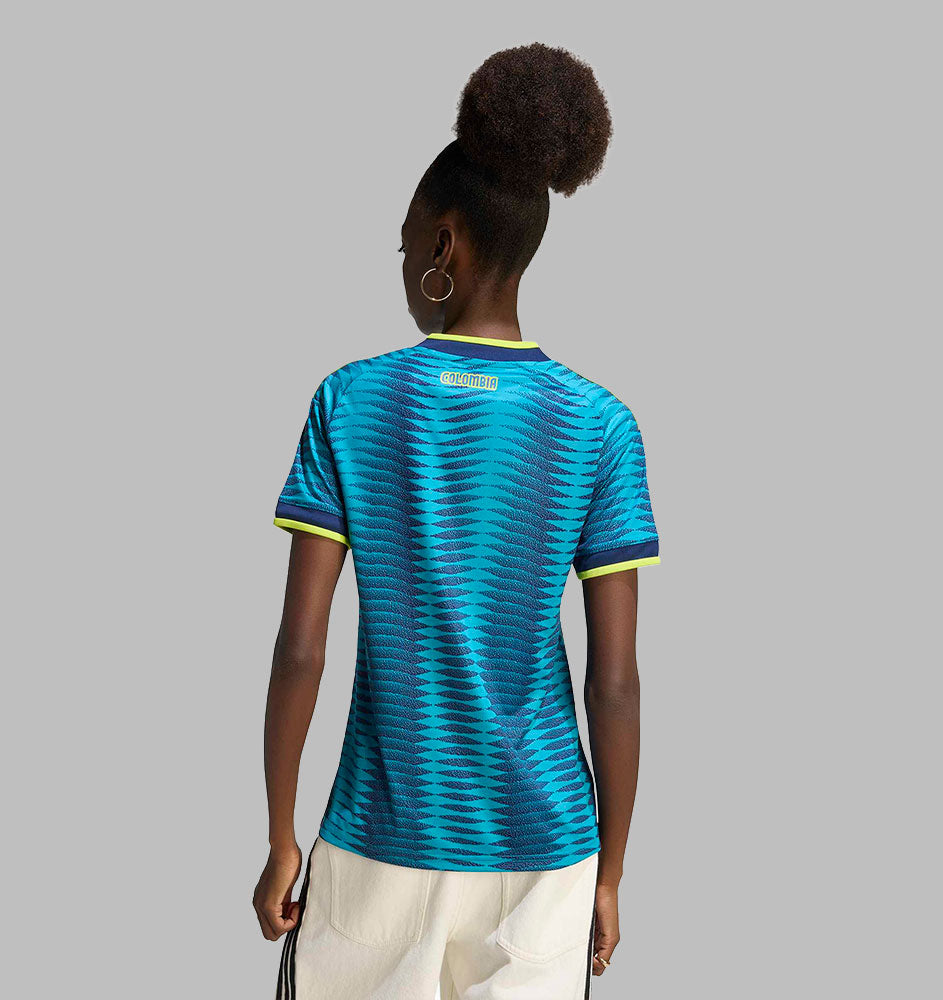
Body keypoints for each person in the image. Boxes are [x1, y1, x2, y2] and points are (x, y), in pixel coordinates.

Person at [253, 43, 660, 1000]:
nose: (402, 264)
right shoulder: (598, 425)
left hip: (379, 842)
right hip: (545, 856)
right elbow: (615, 682)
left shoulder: (351, 402)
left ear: (444, 246)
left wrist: (280, 839)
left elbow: (301, 650)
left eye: (404, 244)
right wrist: (610, 873)